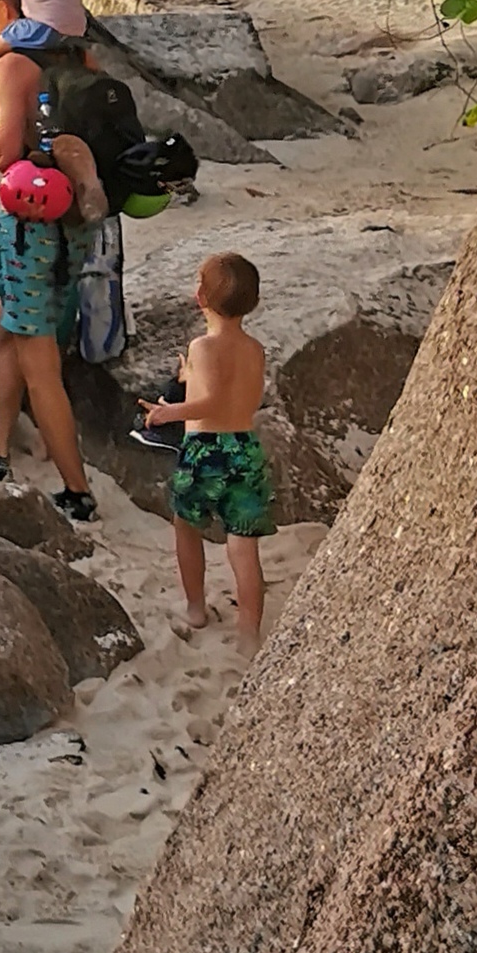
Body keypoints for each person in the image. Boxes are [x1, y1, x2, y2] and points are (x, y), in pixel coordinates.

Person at [0, 0, 102, 523]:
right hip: (74, 225)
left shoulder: (15, 64)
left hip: (34, 229)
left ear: (12, 9)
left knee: (40, 366)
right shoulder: (81, 60)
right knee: (2, 324)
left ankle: (77, 492)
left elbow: (3, 154)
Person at [144, 253, 275, 653]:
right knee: (243, 543)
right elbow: (241, 397)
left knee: (186, 526)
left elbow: (212, 402)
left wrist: (170, 412)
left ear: (201, 296)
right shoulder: (254, 349)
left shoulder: (203, 345)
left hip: (206, 449)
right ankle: (249, 632)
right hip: (244, 447)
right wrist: (190, 377)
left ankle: (196, 608)